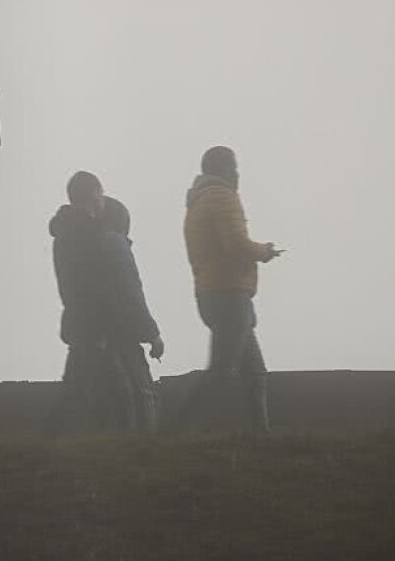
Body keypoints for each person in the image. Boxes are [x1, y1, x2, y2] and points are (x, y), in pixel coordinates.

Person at [176, 146, 282, 432]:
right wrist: (264, 251)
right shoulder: (222, 197)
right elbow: (236, 244)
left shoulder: (197, 202)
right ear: (222, 169)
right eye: (233, 166)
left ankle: (262, 438)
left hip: (213, 292)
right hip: (228, 295)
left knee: (255, 373)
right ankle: (173, 428)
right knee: (221, 372)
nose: (237, 173)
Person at [47, 171, 109, 433]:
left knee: (81, 381)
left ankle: (68, 435)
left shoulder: (65, 231)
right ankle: (61, 435)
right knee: (80, 384)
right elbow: (99, 280)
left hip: (76, 314)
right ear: (94, 194)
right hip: (92, 318)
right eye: (101, 193)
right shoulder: (90, 232)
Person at [96, 197, 164, 432]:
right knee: (143, 393)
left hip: (97, 332)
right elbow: (131, 293)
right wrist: (153, 334)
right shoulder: (115, 244)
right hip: (122, 332)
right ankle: (145, 447)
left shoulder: (87, 245)